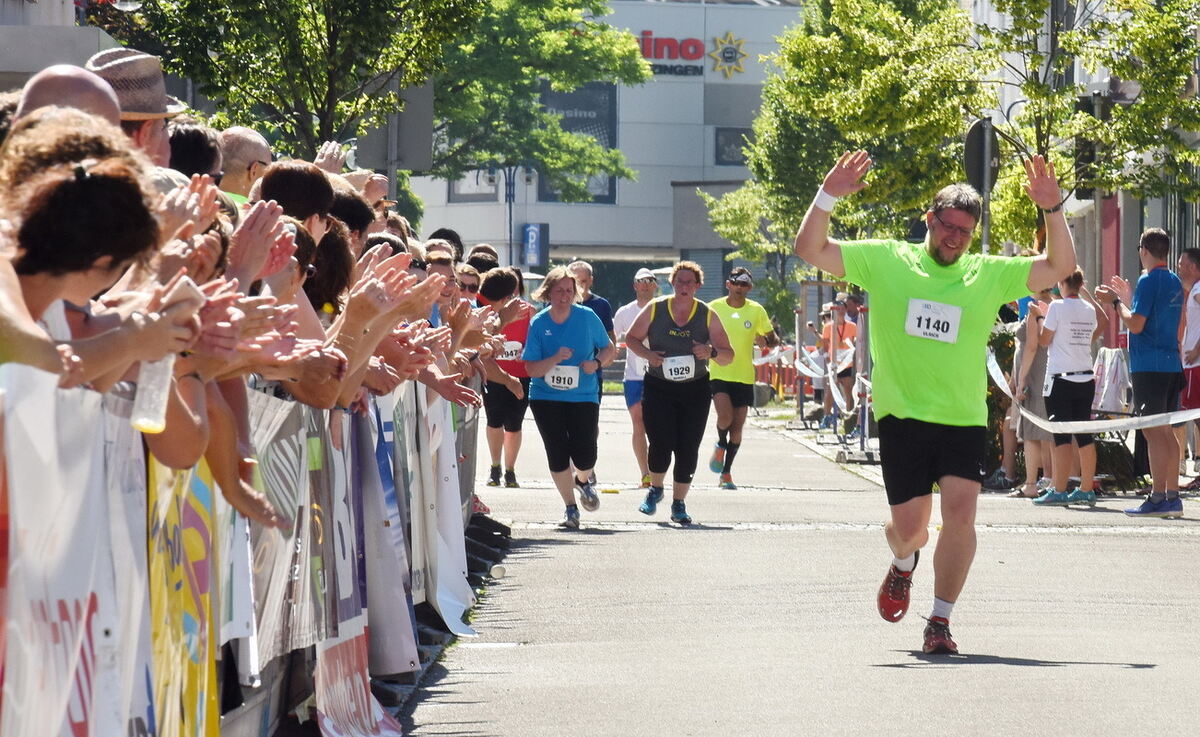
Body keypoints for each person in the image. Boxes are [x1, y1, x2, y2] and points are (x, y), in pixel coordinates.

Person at [793, 150, 1075, 654]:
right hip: (902, 417)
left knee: (962, 516)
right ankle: (903, 564)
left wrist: (1053, 210)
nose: (955, 239)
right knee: (910, 531)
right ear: (930, 218)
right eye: (948, 227)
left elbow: (1061, 266)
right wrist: (828, 193)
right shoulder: (886, 260)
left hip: (962, 418)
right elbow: (810, 248)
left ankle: (939, 622)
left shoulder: (985, 272)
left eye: (965, 232)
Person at [624, 262, 734, 525]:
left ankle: (679, 503)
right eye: (680, 282)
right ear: (672, 284)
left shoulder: (707, 314)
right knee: (660, 442)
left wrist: (711, 353)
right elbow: (631, 339)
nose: (684, 287)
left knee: (687, 447)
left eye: (689, 282)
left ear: (697, 286)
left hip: (694, 389)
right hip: (659, 386)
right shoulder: (656, 309)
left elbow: (728, 355)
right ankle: (656, 489)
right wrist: (649, 354)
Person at [1097, 228, 1185, 518]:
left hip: (1150, 366)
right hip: (1171, 363)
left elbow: (1135, 324)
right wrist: (1128, 298)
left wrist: (1115, 303)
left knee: (1153, 433)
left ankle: (1159, 497)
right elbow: (1174, 322)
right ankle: (1171, 496)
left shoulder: (1149, 280)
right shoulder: (1174, 280)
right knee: (1166, 432)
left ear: (1144, 250)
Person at [521, 267, 615, 529]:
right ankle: (570, 509)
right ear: (548, 292)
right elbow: (531, 369)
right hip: (545, 396)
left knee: (586, 454)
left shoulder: (587, 317)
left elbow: (609, 348)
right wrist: (554, 359)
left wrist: (596, 363)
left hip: (583, 395)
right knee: (557, 452)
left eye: (569, 291)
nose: (564, 295)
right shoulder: (539, 322)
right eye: (559, 290)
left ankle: (583, 481)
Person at [1033, 270, 1107, 507]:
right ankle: (1086, 489)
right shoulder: (1087, 308)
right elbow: (1102, 323)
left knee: (1061, 437)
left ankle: (1060, 488)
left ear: (1062, 282)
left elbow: (1044, 341)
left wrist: (1039, 318)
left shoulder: (1056, 307)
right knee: (1084, 435)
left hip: (1060, 379)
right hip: (1085, 377)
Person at [707, 267, 778, 489]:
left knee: (737, 429)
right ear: (728, 284)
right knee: (725, 418)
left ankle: (726, 473)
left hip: (745, 375)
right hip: (719, 371)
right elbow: (700, 332)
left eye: (744, 284)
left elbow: (773, 339)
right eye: (736, 283)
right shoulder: (714, 308)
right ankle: (720, 443)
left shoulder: (756, 310)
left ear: (750, 288)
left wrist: (765, 340)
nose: (740, 288)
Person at [480, 267, 532, 488]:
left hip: (520, 372)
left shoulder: (528, 310)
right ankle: (495, 467)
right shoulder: (492, 311)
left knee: (514, 423)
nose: (513, 297)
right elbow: (481, 341)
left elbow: (535, 336)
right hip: (494, 372)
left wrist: (527, 351)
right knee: (494, 419)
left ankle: (510, 470)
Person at [612, 267, 660, 487]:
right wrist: (609, 352)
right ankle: (645, 472)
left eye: (651, 280)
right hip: (634, 377)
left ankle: (657, 468)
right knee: (638, 423)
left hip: (660, 375)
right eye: (642, 281)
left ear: (656, 285)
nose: (646, 284)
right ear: (635, 286)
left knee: (658, 425)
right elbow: (611, 336)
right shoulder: (625, 312)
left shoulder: (663, 308)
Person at [1009, 287, 1056, 498]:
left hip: (1035, 375)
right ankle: (1052, 479)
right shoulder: (1055, 305)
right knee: (1047, 432)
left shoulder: (1036, 308)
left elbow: (1031, 347)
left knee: (1031, 433)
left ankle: (1031, 483)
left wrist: (1021, 379)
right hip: (1048, 373)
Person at [1174, 248, 1200, 484]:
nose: (1178, 267)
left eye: (1182, 264)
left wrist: (1198, 348)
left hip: (1196, 364)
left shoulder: (1198, 290)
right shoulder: (1192, 291)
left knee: (1194, 413)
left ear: (1193, 267)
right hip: (1191, 363)